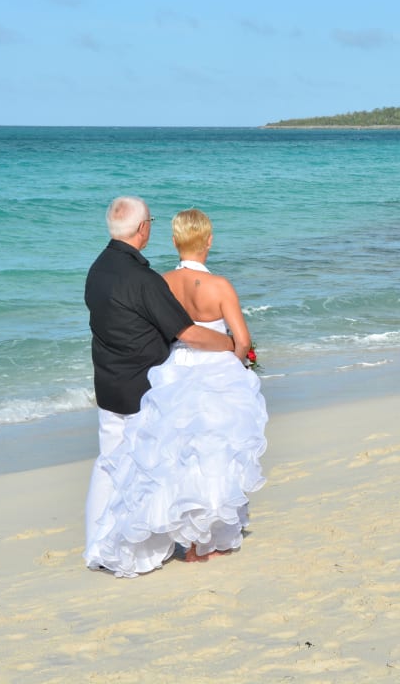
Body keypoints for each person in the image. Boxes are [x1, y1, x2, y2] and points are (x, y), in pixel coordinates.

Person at [83, 207, 268, 576]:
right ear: (209, 240)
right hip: (213, 370)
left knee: (173, 456)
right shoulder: (219, 286)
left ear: (174, 240)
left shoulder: (159, 281)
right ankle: (206, 538)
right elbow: (236, 339)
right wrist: (239, 352)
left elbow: (162, 332)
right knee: (213, 453)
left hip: (170, 374)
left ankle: (130, 539)